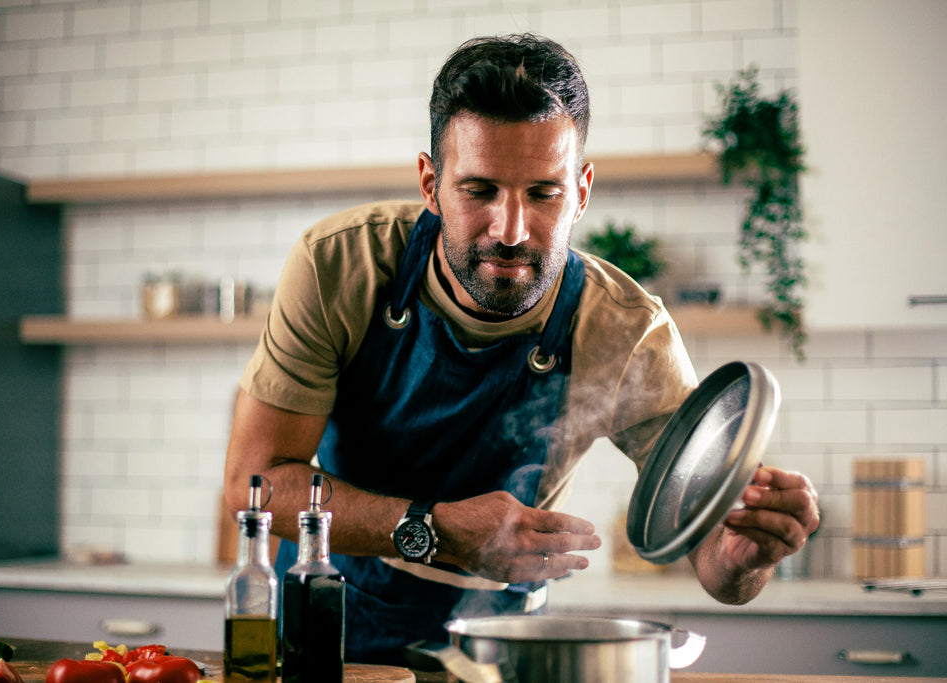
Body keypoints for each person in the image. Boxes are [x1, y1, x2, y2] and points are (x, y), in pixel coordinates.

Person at [224, 33, 820, 665]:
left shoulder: (624, 331)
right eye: (479, 191)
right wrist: (440, 529)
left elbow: (713, 560)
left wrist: (741, 558)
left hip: (497, 656)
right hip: (326, 638)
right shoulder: (340, 265)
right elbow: (253, 486)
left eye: (544, 193)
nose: (510, 231)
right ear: (430, 183)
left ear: (583, 192)